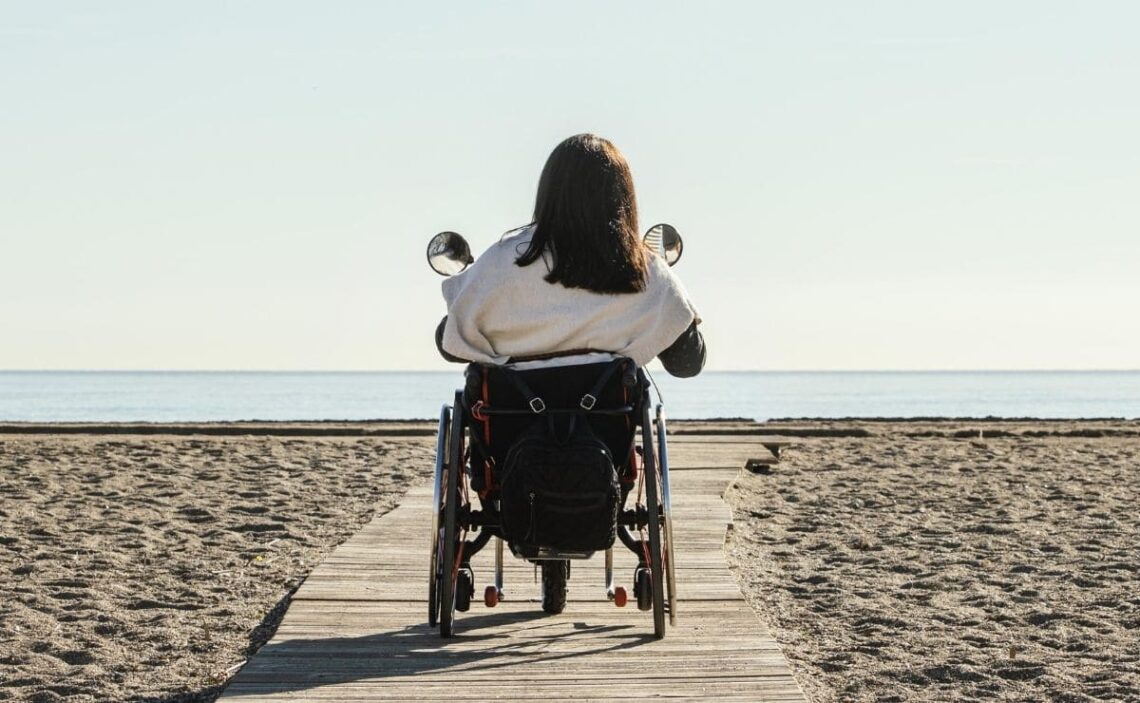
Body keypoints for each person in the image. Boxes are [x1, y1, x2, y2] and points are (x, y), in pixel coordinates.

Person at [435, 133, 705, 377]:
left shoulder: (501, 261)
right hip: (604, 427)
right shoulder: (645, 270)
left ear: (549, 191)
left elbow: (450, 346)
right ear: (622, 197)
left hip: (510, 425)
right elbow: (687, 364)